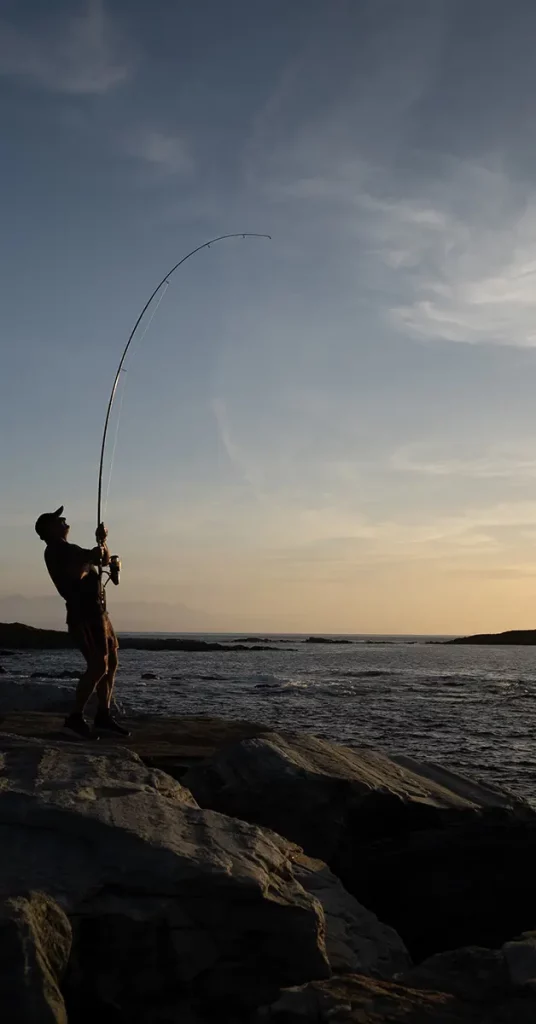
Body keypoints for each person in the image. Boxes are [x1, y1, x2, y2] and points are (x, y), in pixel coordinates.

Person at [35, 506, 130, 739]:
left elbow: (103, 559)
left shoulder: (69, 549)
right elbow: (88, 564)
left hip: (98, 613)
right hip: (84, 615)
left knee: (112, 660)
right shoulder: (58, 550)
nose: (65, 521)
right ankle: (75, 719)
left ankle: (103, 716)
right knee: (99, 666)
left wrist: (102, 541)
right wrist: (97, 548)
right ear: (49, 528)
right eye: (60, 520)